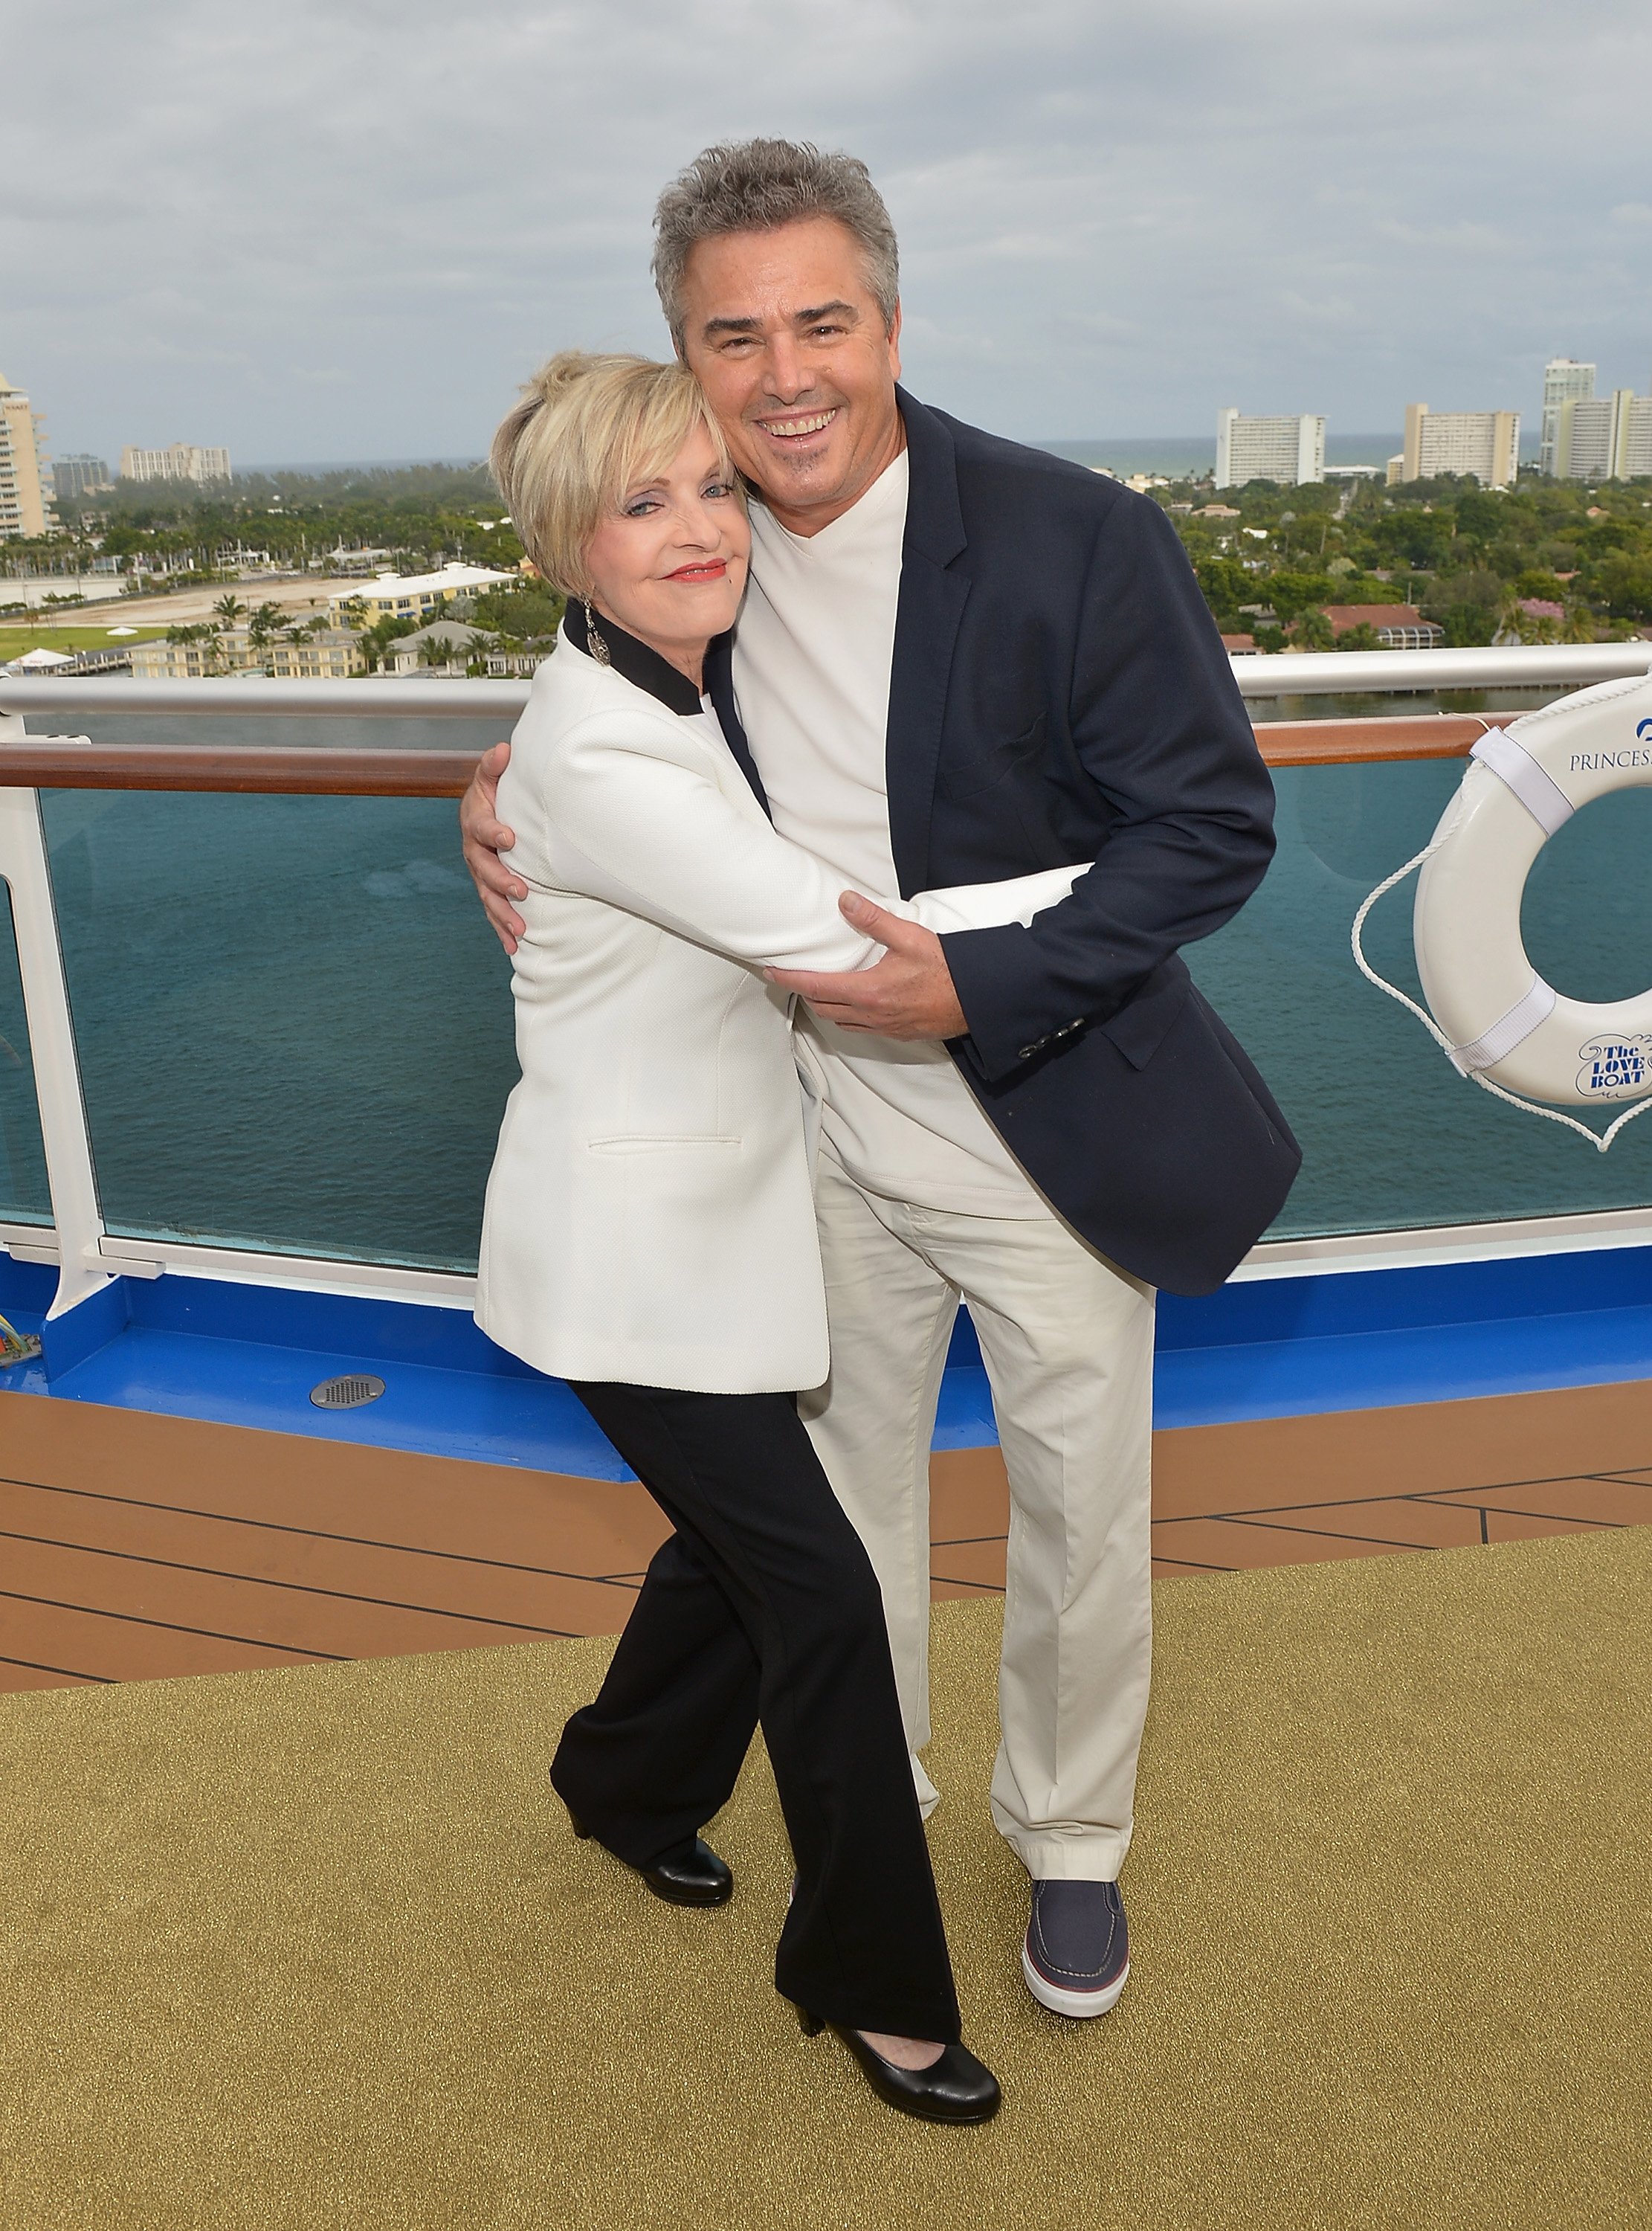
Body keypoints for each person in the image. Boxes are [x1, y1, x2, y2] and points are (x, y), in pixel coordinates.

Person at [464, 142, 1300, 2024]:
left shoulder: (1073, 533)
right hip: (807, 1130)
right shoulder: (711, 533)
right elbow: (610, 697)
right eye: (731, 337)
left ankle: (1072, 1843)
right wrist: (498, 797)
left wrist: (975, 981)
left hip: (1045, 1109)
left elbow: (1209, 828)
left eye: (819, 323)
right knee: (848, 1513)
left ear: (890, 323)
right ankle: (888, 1806)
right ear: (687, 355)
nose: (782, 378)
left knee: (1083, 1508)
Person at [477, 349, 1086, 2121]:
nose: (698, 531)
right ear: (559, 547)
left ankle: (622, 1786)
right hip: (627, 1262)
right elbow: (844, 950)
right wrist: (1123, 886)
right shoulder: (605, 746)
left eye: (712, 489)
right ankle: (871, 1984)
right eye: (640, 503)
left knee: (731, 1560)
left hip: (711, 1236)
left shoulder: (668, 686)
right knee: (816, 1594)